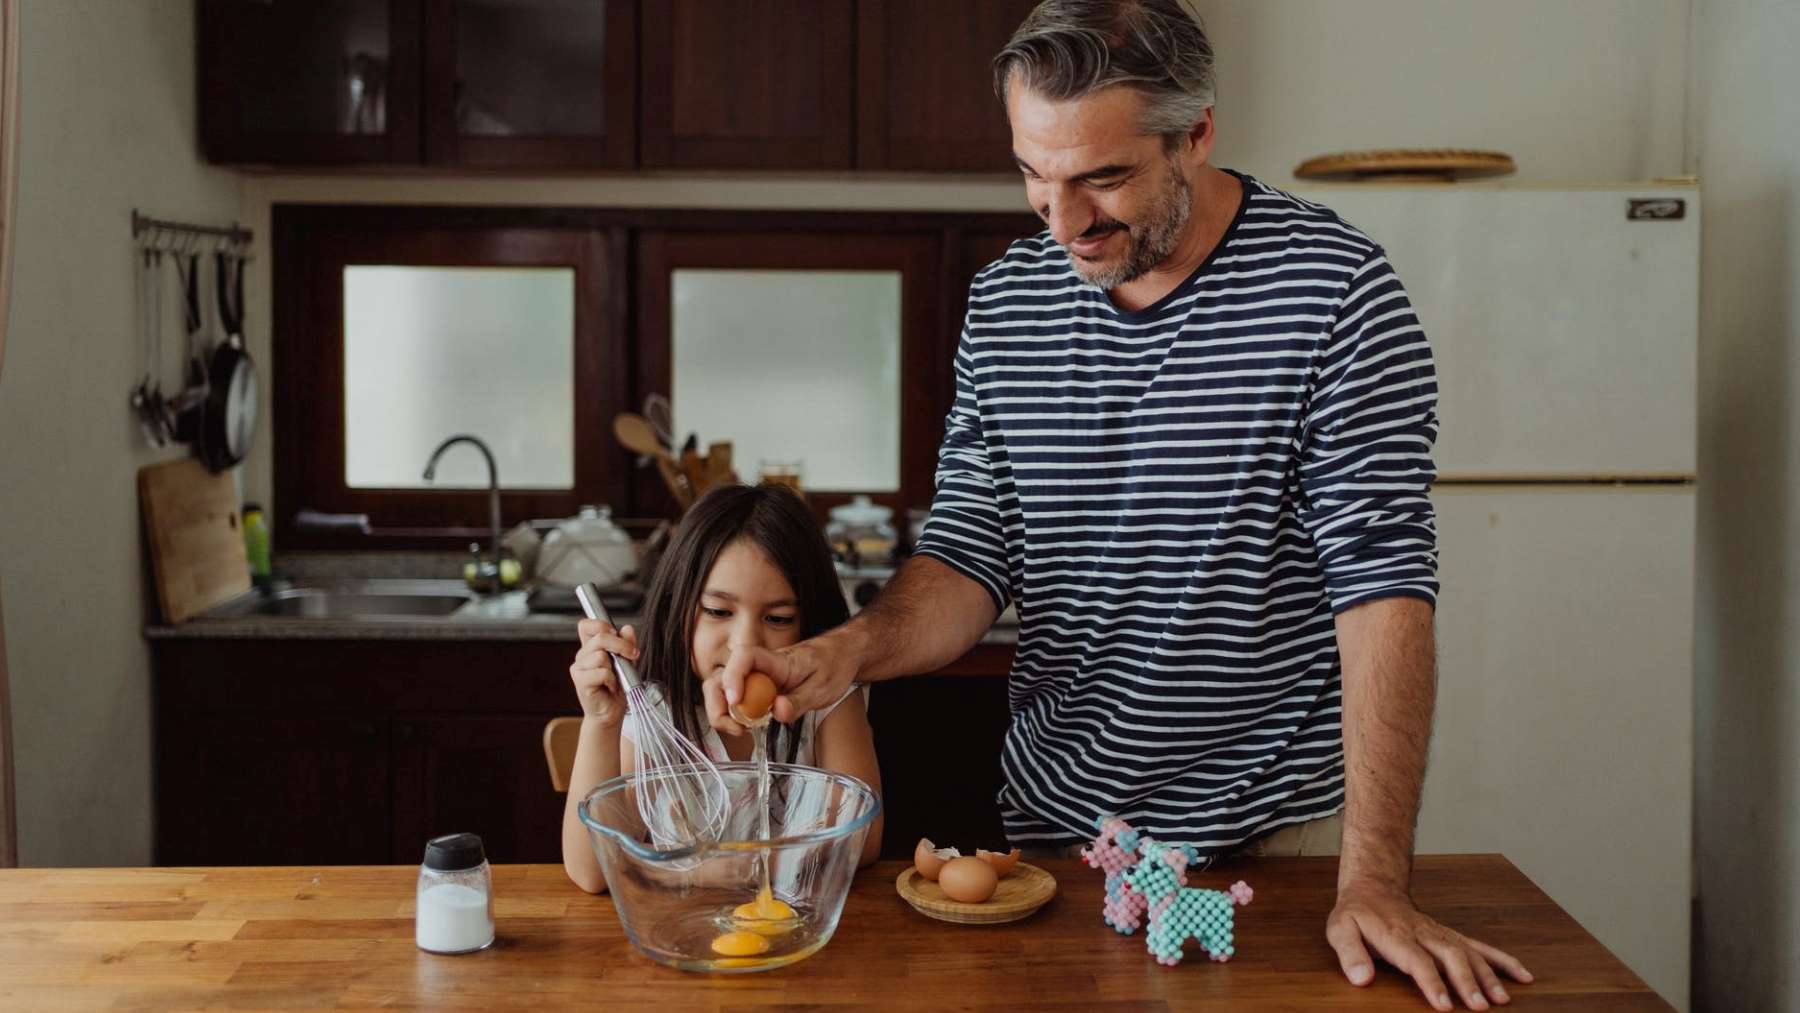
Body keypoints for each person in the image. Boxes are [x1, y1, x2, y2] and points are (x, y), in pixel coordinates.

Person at [716, 2, 1529, 1009]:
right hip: (1063, 838)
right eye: (1033, 176)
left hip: (1282, 844)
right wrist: (847, 651)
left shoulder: (1335, 293)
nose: (1062, 224)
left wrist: (1373, 880)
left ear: (1197, 133)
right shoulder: (1010, 301)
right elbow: (971, 553)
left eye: (1102, 179)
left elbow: (1383, 595)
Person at [559, 484, 883, 894]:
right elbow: (592, 871)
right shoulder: (656, 715)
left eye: (779, 618)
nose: (744, 644)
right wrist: (602, 722)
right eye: (718, 612)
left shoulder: (828, 700)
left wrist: (690, 871)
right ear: (677, 609)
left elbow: (862, 842)